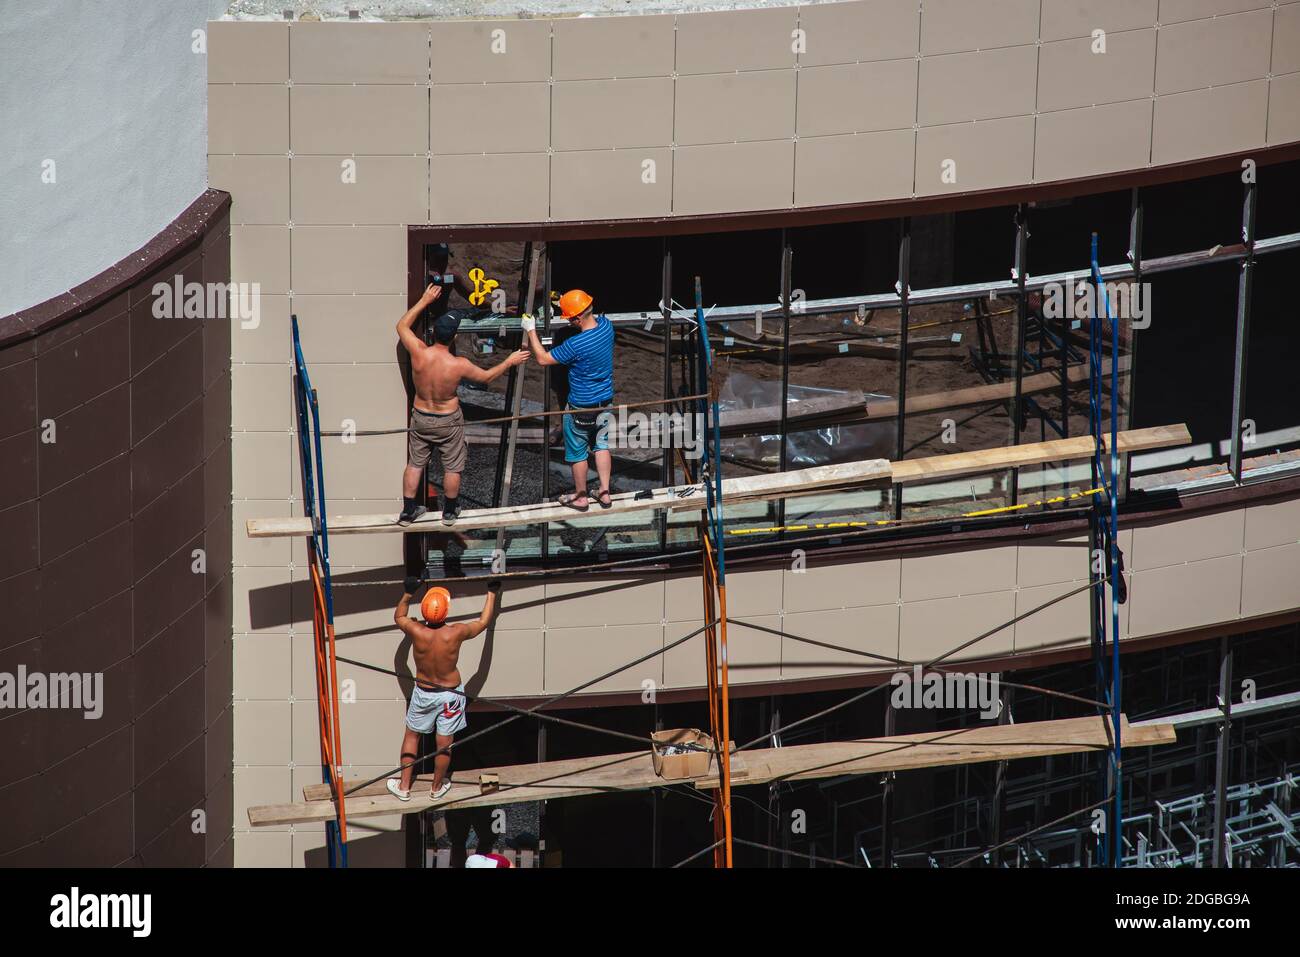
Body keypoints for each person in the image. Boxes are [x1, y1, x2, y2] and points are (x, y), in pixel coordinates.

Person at [397, 285, 529, 525]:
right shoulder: (459, 364)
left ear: (433, 333)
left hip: (421, 416)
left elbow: (402, 326)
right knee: (452, 467)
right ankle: (449, 511)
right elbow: (488, 377)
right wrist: (509, 361)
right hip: (448, 419)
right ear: (455, 336)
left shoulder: (419, 352)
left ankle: (408, 511)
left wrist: (425, 300)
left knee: (415, 464)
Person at [388, 579, 501, 802]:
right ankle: (436, 788)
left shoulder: (417, 631)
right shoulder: (455, 633)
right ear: (446, 611)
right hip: (450, 694)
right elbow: (483, 621)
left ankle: (404, 787)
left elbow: (399, 617)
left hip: (424, 692)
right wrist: (492, 592)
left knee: (412, 736)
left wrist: (408, 593)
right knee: (444, 743)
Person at [521, 289, 615, 510]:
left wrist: (531, 330)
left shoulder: (576, 345)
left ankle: (581, 497)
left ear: (577, 317)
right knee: (601, 445)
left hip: (579, 407)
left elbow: (543, 359)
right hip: (605, 402)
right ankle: (605, 492)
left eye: (570, 318)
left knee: (578, 452)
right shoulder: (607, 326)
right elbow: (590, 315)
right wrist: (563, 302)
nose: (569, 322)